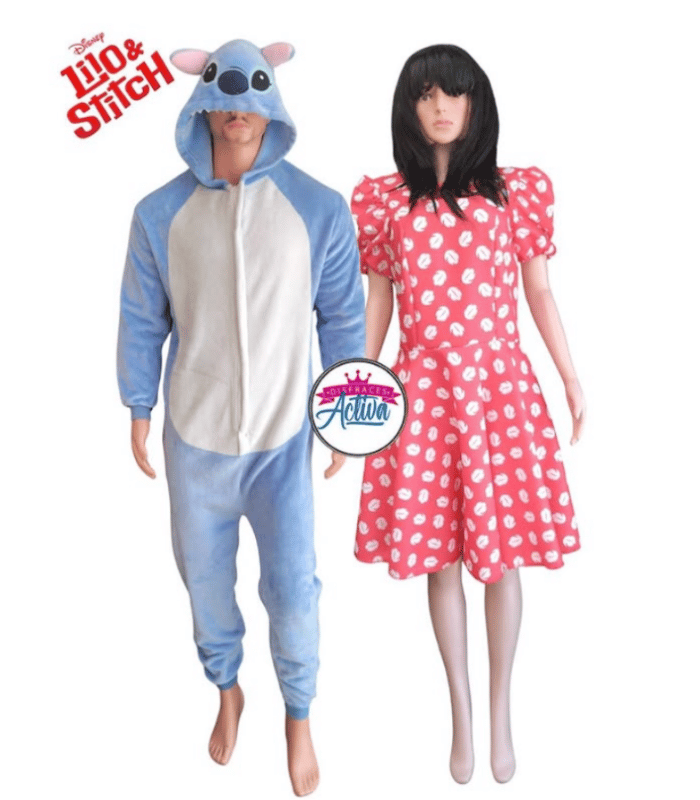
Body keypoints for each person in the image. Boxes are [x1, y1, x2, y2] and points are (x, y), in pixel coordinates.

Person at [117, 39, 364, 797]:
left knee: (293, 590)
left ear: (272, 102)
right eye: (223, 95)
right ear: (202, 103)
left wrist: (347, 421)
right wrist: (138, 404)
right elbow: (142, 318)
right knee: (204, 585)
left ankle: (299, 712)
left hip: (284, 442)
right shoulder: (159, 214)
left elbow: (342, 315)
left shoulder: (319, 208)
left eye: (252, 93)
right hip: (196, 441)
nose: (237, 111)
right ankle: (227, 688)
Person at [352, 44, 584, 784]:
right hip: (423, 392)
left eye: (453, 92)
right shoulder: (386, 202)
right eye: (425, 94)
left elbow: (538, 290)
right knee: (440, 558)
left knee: (500, 555)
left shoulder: (517, 193)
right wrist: (352, 394)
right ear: (409, 108)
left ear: (475, 102)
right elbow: (379, 305)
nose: (440, 106)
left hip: (498, 391)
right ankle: (461, 712)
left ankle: (501, 710)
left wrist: (570, 375)